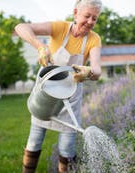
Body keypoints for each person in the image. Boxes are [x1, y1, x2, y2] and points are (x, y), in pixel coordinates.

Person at [15, 0, 102, 172]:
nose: (91, 21)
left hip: (69, 100)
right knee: (34, 142)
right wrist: (40, 47)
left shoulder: (94, 39)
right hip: (46, 95)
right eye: (87, 16)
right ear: (76, 13)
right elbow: (20, 27)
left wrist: (89, 71)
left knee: (67, 149)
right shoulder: (59, 28)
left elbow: (98, 70)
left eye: (95, 18)